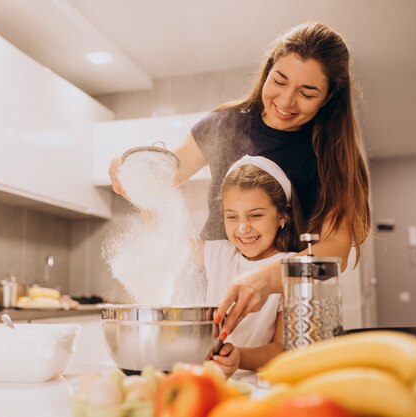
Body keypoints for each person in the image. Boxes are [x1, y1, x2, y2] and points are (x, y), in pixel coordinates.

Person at [109, 22, 370, 338]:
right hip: (210, 299)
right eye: (279, 81)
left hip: (292, 308)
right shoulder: (223, 124)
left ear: (328, 97)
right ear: (268, 69)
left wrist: (264, 278)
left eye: (307, 92)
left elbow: (336, 250)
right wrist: (134, 171)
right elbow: (164, 176)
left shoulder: (333, 155)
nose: (286, 102)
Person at [202, 155, 304, 377]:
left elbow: (281, 349)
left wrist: (238, 357)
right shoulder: (220, 253)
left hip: (260, 386)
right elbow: (167, 239)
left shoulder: (289, 269)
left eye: (255, 215)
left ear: (282, 216)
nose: (242, 229)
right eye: (232, 217)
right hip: (209, 381)